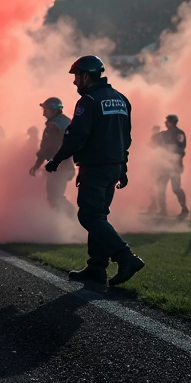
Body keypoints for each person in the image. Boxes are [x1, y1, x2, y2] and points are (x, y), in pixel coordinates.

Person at [46, 55, 144, 286]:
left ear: (86, 75)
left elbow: (77, 136)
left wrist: (56, 159)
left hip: (96, 167)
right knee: (99, 215)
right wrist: (123, 166)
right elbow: (125, 137)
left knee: (89, 215)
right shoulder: (121, 99)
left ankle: (125, 257)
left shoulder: (88, 100)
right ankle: (96, 267)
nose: (74, 82)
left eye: (76, 76)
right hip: (114, 166)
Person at [29, 97, 74, 215]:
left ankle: (73, 219)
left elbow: (46, 148)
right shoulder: (67, 122)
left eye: (46, 109)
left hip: (59, 167)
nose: (43, 113)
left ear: (54, 110)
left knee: (55, 197)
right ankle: (63, 222)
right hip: (66, 166)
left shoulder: (54, 126)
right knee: (55, 196)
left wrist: (36, 165)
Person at [152, 114, 189, 219]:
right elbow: (155, 144)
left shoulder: (179, 133)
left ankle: (184, 208)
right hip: (165, 165)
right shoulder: (164, 134)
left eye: (167, 121)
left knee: (176, 188)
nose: (165, 123)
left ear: (171, 122)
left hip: (174, 165)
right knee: (160, 187)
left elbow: (181, 148)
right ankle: (163, 210)